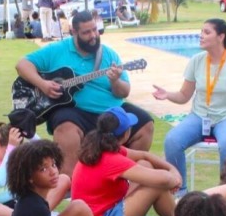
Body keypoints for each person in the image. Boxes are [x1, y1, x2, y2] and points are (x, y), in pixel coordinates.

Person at [15, 10, 156, 176]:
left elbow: (124, 92)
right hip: (74, 110)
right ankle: (72, 183)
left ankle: (122, 175)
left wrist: (115, 80)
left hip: (109, 111)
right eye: (86, 32)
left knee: (145, 123)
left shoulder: (108, 55)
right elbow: (22, 65)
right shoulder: (57, 50)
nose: (93, 36)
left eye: (95, 30)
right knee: (65, 126)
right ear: (74, 32)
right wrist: (43, 84)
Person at [155, 18, 226, 191]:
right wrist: (167, 95)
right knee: (172, 140)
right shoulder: (196, 60)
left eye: (206, 32)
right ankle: (179, 193)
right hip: (199, 117)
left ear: (221, 36)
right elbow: (183, 95)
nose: (201, 36)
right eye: (201, 31)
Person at [71, 108, 181, 216]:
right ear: (126, 134)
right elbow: (165, 180)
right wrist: (176, 177)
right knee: (156, 186)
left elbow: (144, 156)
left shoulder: (100, 146)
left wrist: (171, 168)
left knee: (145, 165)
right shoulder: (112, 159)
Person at [0, 122, 70, 216]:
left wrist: (31, 135)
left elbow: (49, 155)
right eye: (9, 150)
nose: (14, 154)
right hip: (0, 211)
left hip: (23, 205)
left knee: (63, 179)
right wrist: (10, 148)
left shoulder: (14, 152)